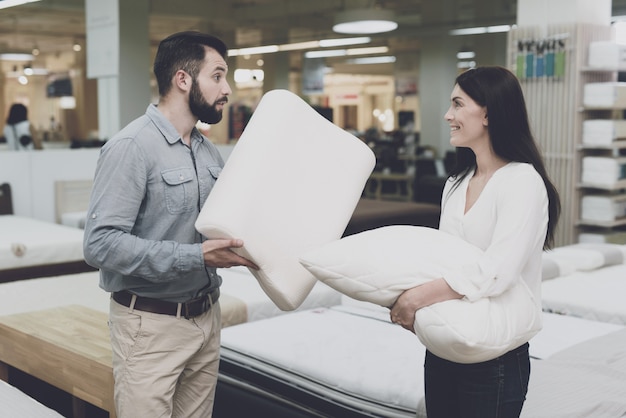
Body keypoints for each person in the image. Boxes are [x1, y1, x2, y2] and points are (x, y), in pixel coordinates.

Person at [83, 31, 257, 418]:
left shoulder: (206, 149)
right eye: (218, 76)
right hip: (150, 327)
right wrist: (196, 256)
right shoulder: (132, 147)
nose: (226, 88)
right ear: (183, 79)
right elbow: (100, 245)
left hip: (205, 319)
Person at [390, 66, 560, 418]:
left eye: (457, 104)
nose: (447, 115)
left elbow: (497, 271)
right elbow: (441, 257)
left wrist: (418, 298)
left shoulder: (522, 182)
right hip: (444, 346)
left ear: (487, 112)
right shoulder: (456, 182)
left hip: (495, 355)